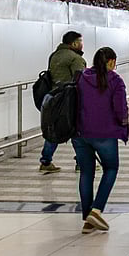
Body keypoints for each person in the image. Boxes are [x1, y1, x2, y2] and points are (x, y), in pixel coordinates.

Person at [73, 47, 128, 233]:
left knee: (86, 173)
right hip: (105, 133)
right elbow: (120, 109)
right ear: (111, 61)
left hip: (80, 133)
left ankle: (88, 220)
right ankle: (96, 210)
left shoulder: (82, 77)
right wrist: (123, 124)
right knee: (111, 168)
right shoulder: (115, 81)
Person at [40, 31, 86, 174]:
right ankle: (81, 162)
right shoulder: (75, 58)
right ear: (74, 44)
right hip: (70, 99)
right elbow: (81, 81)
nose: (82, 44)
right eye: (80, 41)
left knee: (55, 129)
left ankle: (46, 161)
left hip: (54, 98)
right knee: (77, 131)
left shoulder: (54, 56)